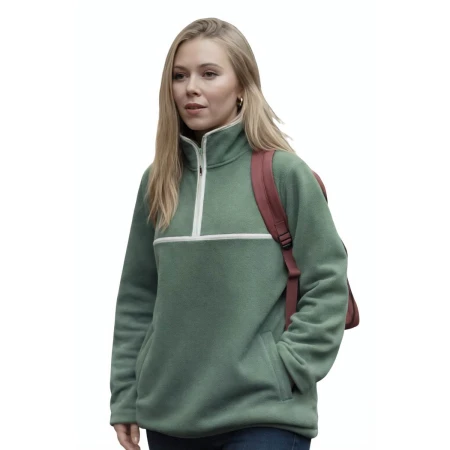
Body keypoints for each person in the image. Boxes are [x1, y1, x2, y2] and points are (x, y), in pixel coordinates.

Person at [109, 17, 349, 450]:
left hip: (263, 416)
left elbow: (327, 282)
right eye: (179, 76)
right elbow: (138, 297)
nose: (191, 88)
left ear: (242, 86)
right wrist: (126, 395)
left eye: (209, 73)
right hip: (169, 416)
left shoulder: (284, 174)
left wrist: (288, 367)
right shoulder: (158, 181)